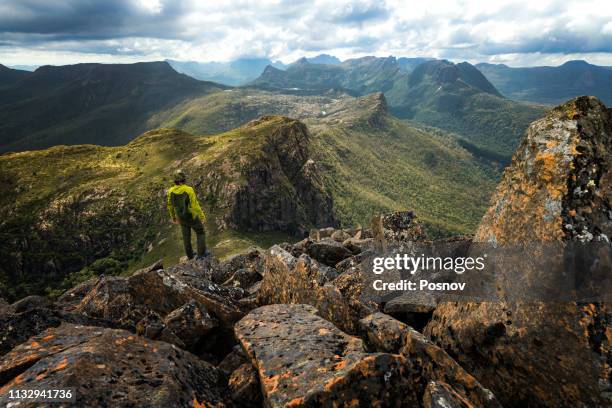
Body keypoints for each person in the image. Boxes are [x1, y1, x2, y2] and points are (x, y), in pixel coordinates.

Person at [167, 169, 208, 259]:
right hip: (191, 216)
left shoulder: (170, 191)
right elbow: (195, 205)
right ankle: (201, 255)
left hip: (181, 218)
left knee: (186, 237)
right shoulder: (188, 190)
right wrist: (202, 216)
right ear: (183, 180)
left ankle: (190, 256)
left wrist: (173, 217)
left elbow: (170, 205)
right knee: (200, 232)